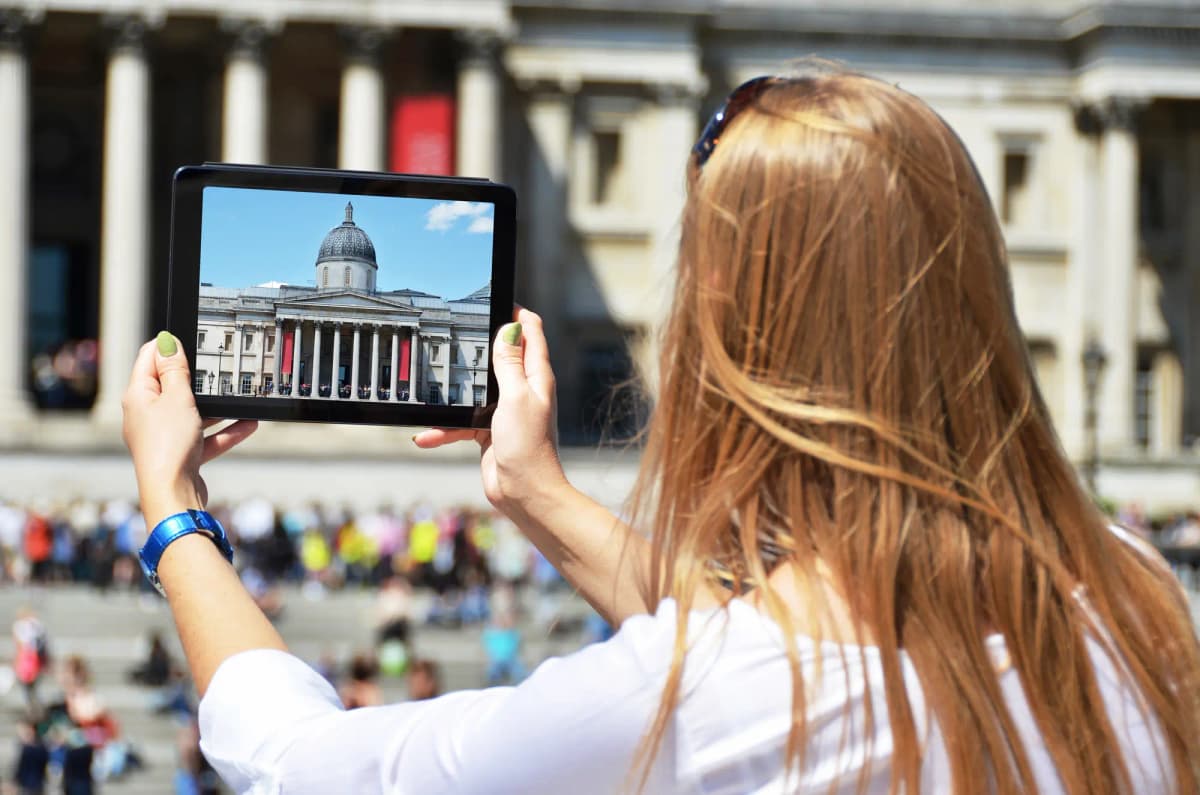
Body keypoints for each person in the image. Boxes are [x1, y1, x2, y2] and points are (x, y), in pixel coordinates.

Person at [121, 65, 1200, 794]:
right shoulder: (1138, 601)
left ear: (725, 339)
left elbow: (303, 765)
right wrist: (541, 497)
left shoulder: (676, 709)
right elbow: (818, 649)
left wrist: (174, 515)